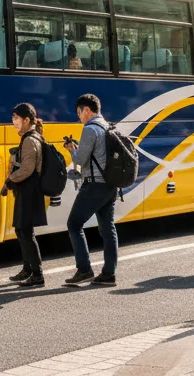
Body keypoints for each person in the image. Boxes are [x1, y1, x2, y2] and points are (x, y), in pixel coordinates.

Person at [63, 93, 118, 287]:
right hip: (110, 185)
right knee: (107, 227)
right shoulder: (108, 126)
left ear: (87, 109)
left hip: (94, 184)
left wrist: (72, 150)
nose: (79, 117)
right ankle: (109, 273)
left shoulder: (90, 129)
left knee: (74, 224)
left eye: (79, 112)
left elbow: (80, 160)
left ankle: (84, 269)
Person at [3, 103, 47, 287]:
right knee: (22, 230)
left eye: (16, 118)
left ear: (27, 120)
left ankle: (37, 274)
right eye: (13, 118)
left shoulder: (30, 140)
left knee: (26, 232)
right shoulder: (28, 138)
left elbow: (28, 168)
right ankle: (28, 269)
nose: (14, 122)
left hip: (29, 191)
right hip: (26, 190)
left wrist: (9, 180)